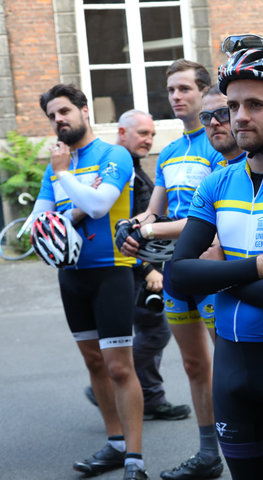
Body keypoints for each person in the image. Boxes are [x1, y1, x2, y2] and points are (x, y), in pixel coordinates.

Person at [170, 34, 263, 479]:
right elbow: (175, 277)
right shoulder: (216, 184)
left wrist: (217, 272)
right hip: (229, 364)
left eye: (254, 105)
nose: (239, 117)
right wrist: (257, 267)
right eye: (232, 106)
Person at [33, 84, 149, 480]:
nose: (58, 120)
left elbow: (99, 205)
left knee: (119, 366)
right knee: (93, 362)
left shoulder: (113, 154)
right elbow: (38, 222)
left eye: (64, 111)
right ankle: (115, 444)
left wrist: (65, 178)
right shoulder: (56, 166)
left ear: (84, 110)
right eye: (52, 115)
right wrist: (65, 202)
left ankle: (135, 458)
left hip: (111, 271)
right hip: (71, 275)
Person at [118, 59, 225, 480]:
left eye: (184, 89)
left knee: (231, 365)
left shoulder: (219, 144)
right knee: (194, 366)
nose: (176, 97)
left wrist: (151, 232)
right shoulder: (173, 151)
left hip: (211, 267)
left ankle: (250, 449)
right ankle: (208, 455)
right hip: (176, 270)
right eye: (171, 91)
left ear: (204, 94)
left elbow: (206, 217)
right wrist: (134, 228)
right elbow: (153, 210)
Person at [83, 109, 192, 422]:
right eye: (143, 133)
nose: (149, 140)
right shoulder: (119, 169)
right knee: (156, 332)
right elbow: (120, 227)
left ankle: (151, 396)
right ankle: (111, 378)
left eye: (152, 134)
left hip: (145, 266)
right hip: (134, 268)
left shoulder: (133, 166)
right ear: (121, 134)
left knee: (149, 328)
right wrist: (148, 269)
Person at [200, 84, 244, 165]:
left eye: (223, 113)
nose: (213, 122)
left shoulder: (262, 168)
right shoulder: (214, 174)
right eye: (206, 117)